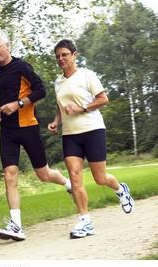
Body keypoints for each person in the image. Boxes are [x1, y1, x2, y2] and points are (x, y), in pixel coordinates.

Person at [0, 31, 72, 242]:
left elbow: (40, 90)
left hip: (28, 127)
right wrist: (0, 111)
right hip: (8, 130)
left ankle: (67, 183)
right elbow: (5, 97)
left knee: (43, 175)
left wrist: (19, 104)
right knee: (9, 175)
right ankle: (16, 226)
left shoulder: (22, 66)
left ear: (7, 45)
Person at [48, 39, 135, 239]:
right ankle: (85, 221)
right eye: (58, 56)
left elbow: (103, 99)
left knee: (100, 178)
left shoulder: (87, 75)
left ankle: (121, 189)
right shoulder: (58, 82)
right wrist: (56, 121)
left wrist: (82, 108)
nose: (61, 59)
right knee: (75, 177)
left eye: (64, 54)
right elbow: (61, 106)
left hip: (92, 130)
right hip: (70, 135)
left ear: (74, 55)